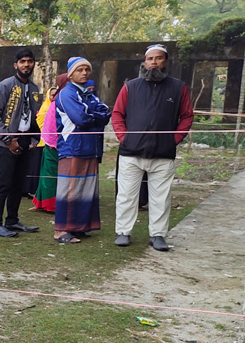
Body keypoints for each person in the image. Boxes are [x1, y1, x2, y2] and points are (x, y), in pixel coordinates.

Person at [112, 44, 194, 251]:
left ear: (165, 62)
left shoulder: (178, 88)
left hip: (163, 153)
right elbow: (117, 114)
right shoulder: (130, 87)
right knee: (126, 195)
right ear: (144, 62)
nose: (154, 63)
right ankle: (123, 231)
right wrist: (124, 138)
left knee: (161, 197)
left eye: (159, 58)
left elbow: (186, 116)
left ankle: (158, 235)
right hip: (131, 151)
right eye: (150, 59)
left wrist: (174, 139)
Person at [0, 48, 42, 238]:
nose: (26, 65)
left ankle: (12, 220)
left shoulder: (34, 88)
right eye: (23, 61)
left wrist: (35, 139)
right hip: (7, 141)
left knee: (19, 183)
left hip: (26, 141)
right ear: (16, 64)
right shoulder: (6, 85)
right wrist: (8, 139)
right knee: (4, 184)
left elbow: (34, 117)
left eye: (30, 61)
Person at [53, 57, 110, 244]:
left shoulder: (89, 94)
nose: (84, 73)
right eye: (80, 70)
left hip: (90, 147)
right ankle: (61, 230)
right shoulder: (66, 94)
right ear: (71, 74)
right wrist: (95, 116)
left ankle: (79, 226)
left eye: (87, 69)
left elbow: (105, 113)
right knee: (69, 190)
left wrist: (92, 114)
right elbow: (81, 118)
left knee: (86, 189)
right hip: (73, 147)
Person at [31, 73, 67, 213]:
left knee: (50, 174)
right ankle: (45, 203)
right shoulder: (57, 103)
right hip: (51, 143)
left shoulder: (62, 101)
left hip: (55, 143)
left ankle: (47, 203)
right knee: (48, 174)